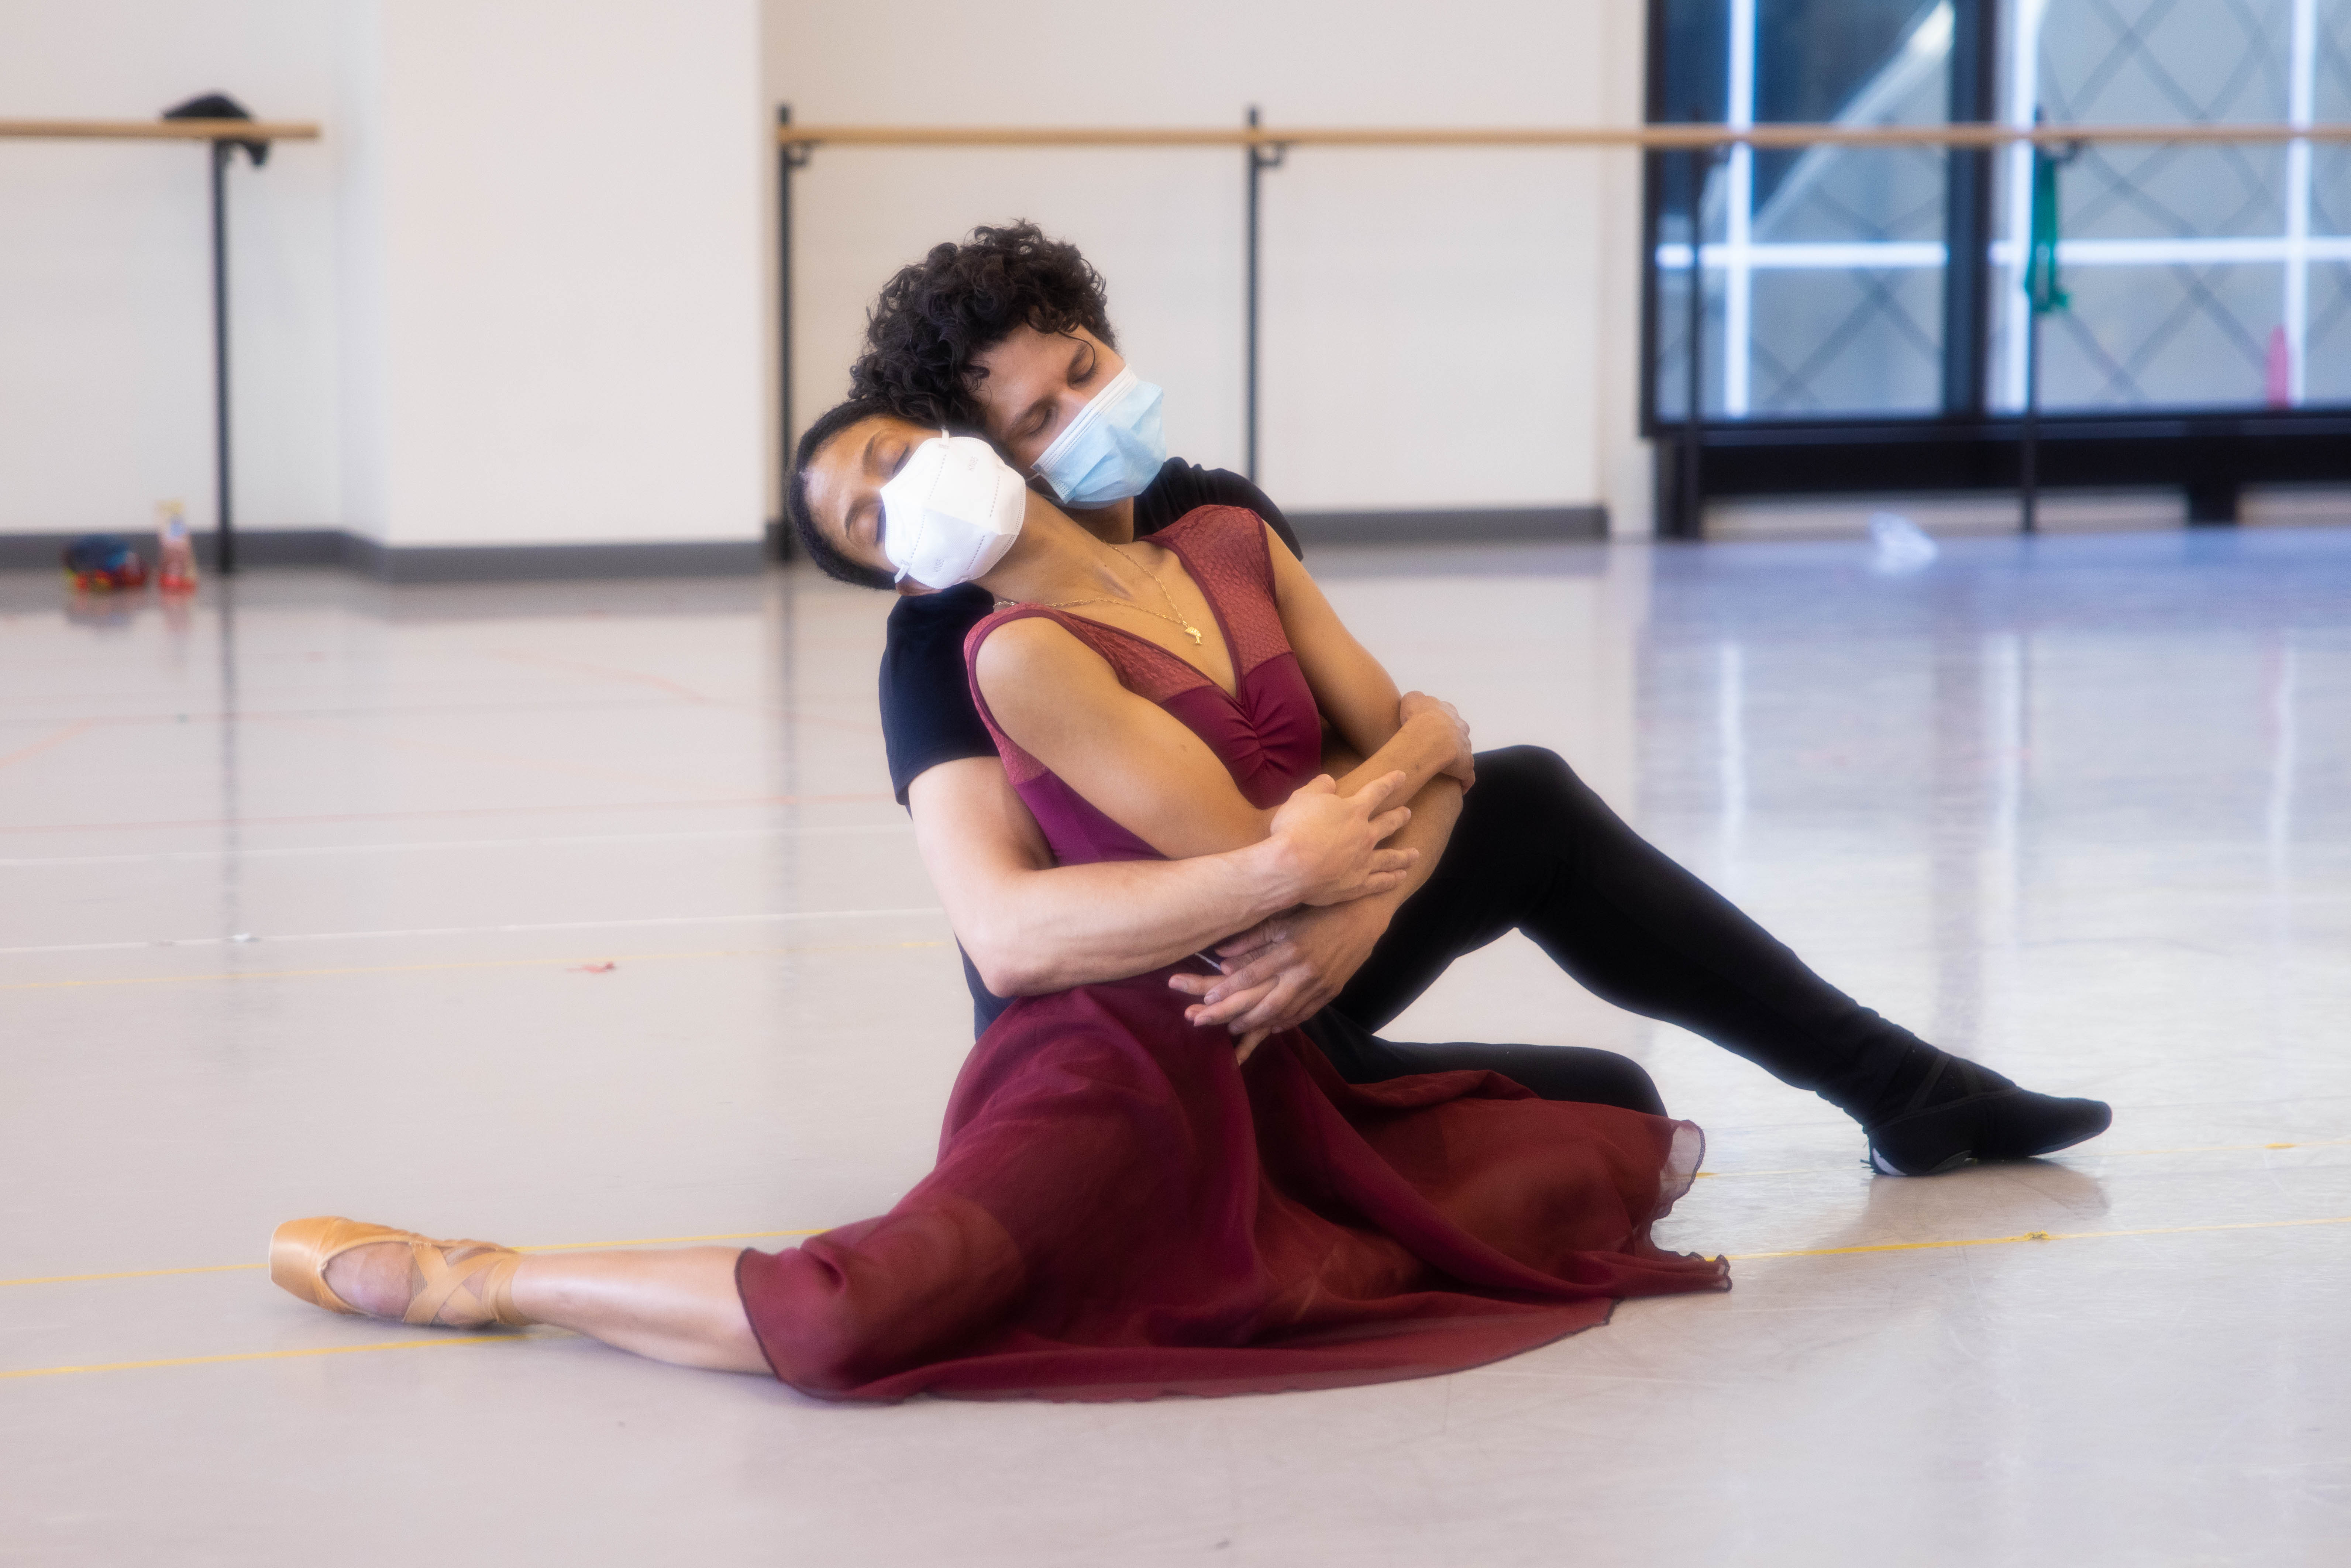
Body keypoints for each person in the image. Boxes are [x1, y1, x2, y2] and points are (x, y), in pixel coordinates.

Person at [270, 415, 1729, 1400]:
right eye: (865, 514)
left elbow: (1394, 751)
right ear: (900, 568)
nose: (895, 494)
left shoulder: (1213, 544)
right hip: (1114, 1057)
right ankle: (484, 1278)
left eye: (898, 457)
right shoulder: (1013, 654)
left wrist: (1407, 758)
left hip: (1252, 1053)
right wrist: (1359, 816)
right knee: (858, 1318)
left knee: (1596, 1141)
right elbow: (1266, 844)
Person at [843, 221, 2111, 1179]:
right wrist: (1329, 867)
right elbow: (1010, 938)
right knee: (1614, 1103)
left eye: (1085, 366)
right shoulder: (948, 634)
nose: (1084, 411)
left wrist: (1364, 893)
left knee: (1528, 798)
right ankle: (1312, 1139)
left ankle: (1907, 1090)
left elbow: (1385, 756)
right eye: (1039, 415)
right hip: (1169, 1012)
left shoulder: (1209, 512)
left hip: (1311, 928)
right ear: (985, 458)